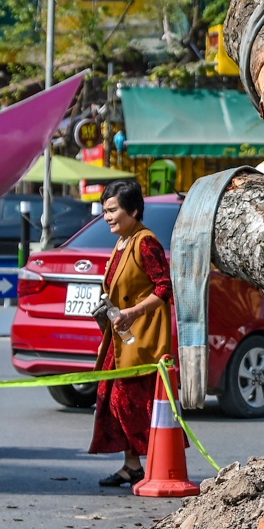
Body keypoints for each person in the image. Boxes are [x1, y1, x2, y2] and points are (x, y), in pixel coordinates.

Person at [90, 180, 175, 488]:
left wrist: (133, 312)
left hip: (141, 340)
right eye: (104, 211)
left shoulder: (144, 242)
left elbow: (164, 288)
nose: (107, 217)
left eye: (113, 210)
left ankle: (153, 464)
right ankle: (132, 465)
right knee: (113, 400)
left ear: (134, 210)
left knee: (133, 402)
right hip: (120, 338)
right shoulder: (123, 241)